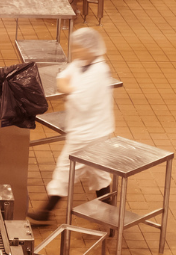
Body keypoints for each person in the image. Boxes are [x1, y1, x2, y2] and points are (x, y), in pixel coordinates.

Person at [32, 27, 116, 223]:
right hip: (88, 130)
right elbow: (62, 78)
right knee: (99, 174)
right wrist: (69, 89)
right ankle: (111, 216)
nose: (75, 52)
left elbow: (82, 101)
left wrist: (69, 91)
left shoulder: (99, 71)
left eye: (79, 48)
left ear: (91, 48)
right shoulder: (80, 63)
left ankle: (45, 212)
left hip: (89, 133)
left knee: (64, 170)